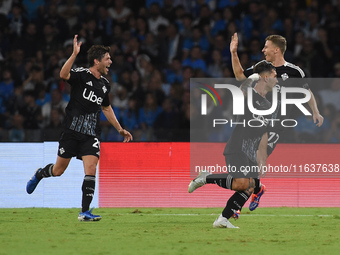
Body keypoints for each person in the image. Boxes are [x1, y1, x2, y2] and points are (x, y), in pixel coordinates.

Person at [26, 35, 133, 221]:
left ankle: (84, 212)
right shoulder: (82, 74)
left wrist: (120, 129)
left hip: (91, 134)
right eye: (107, 59)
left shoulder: (105, 85)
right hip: (71, 131)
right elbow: (63, 75)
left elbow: (106, 108)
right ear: (96, 61)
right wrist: (74, 54)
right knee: (58, 170)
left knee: (91, 168)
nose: (111, 62)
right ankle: (39, 174)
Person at [230, 33, 324, 209]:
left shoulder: (295, 72)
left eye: (266, 47)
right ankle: (256, 189)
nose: (263, 50)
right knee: (249, 163)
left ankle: (240, 202)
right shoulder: (262, 69)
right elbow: (240, 77)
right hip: (256, 122)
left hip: (275, 126)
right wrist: (233, 53)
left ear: (276, 49)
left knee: (257, 158)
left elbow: (307, 92)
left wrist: (316, 112)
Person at [189, 61, 278, 228]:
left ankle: (223, 219)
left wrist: (263, 157)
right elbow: (241, 87)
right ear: (265, 78)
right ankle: (206, 177)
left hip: (251, 152)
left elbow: (264, 133)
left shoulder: (268, 105)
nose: (277, 80)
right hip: (237, 146)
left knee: (249, 186)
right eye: (275, 76)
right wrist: (238, 59)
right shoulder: (250, 94)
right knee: (243, 183)